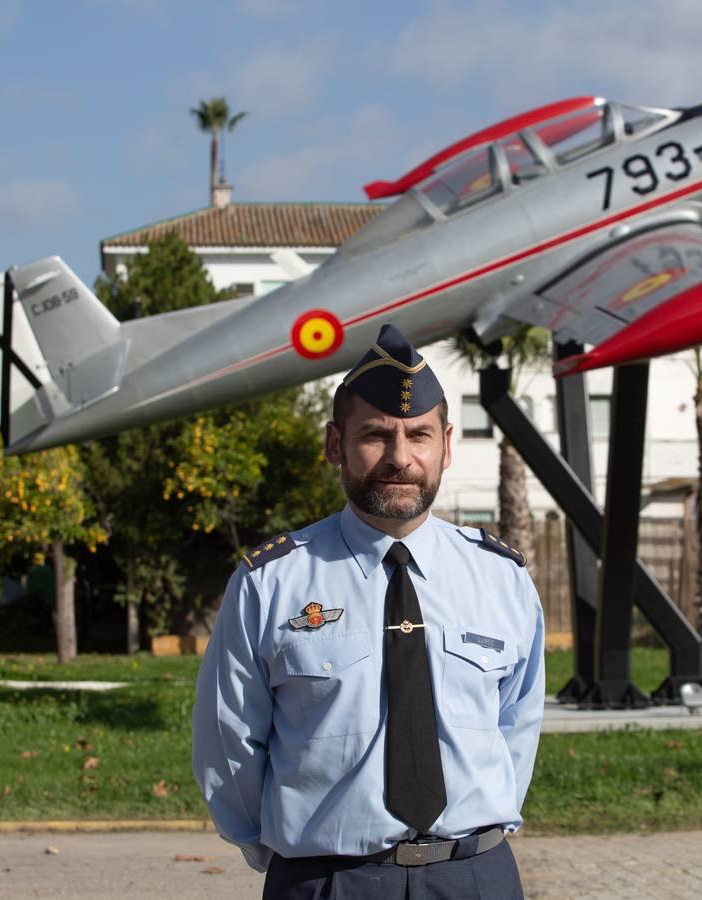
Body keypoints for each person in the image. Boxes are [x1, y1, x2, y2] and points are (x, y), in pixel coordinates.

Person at [193, 323, 545, 899]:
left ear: (447, 446)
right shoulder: (272, 582)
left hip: (474, 878)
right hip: (327, 882)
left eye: (420, 436)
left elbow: (517, 727)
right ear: (336, 444)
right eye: (376, 435)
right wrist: (287, 850)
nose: (400, 458)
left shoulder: (499, 578)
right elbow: (229, 740)